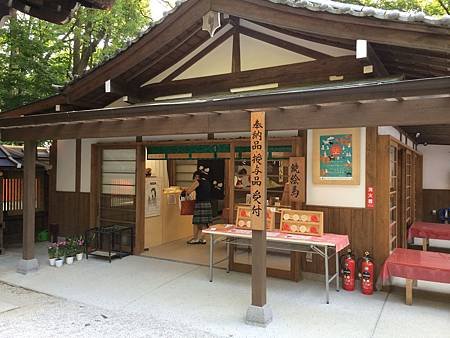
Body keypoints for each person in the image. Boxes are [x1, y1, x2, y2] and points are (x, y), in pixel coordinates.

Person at [183, 170, 212, 245]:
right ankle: (203, 239)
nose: (194, 179)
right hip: (207, 203)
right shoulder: (207, 182)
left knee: (196, 222)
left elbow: (189, 191)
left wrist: (186, 192)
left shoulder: (198, 182)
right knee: (205, 223)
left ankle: (195, 238)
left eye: (194, 177)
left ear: (197, 176)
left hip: (200, 204)